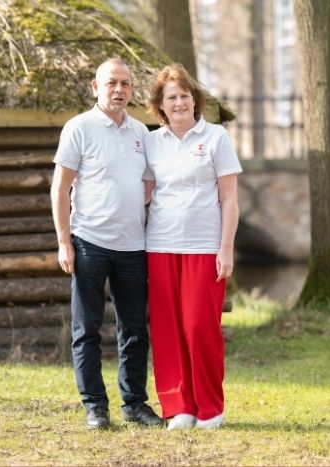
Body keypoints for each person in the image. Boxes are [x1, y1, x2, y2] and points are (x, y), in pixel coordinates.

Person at [50, 58, 163, 429]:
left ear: (132, 90)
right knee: (87, 328)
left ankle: (134, 403)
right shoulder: (79, 128)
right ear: (95, 87)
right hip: (89, 243)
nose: (119, 90)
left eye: (126, 84)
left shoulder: (141, 134)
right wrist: (64, 242)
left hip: (133, 246)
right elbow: (60, 187)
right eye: (111, 82)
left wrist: (124, 206)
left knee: (134, 329)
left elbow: (148, 185)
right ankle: (95, 406)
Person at [143, 63, 242, 430]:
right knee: (168, 329)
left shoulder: (215, 137)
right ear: (161, 106)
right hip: (160, 245)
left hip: (205, 247)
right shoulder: (152, 142)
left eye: (185, 95)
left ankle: (210, 407)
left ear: (195, 101)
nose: (180, 102)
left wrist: (226, 248)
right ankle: (179, 407)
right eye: (172, 97)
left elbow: (230, 199)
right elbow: (144, 192)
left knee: (200, 326)